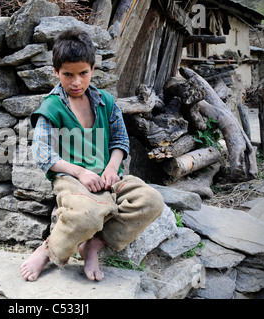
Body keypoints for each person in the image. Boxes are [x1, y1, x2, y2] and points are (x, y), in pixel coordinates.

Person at [20, 28, 164, 282]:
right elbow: (42, 153)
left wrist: (111, 168)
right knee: (87, 215)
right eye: (68, 75)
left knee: (151, 201)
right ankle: (47, 249)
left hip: (109, 177)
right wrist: (80, 172)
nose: (76, 82)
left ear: (93, 69)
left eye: (83, 73)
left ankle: (94, 246)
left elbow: (120, 140)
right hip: (72, 179)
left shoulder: (106, 102)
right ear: (56, 72)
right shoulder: (51, 107)